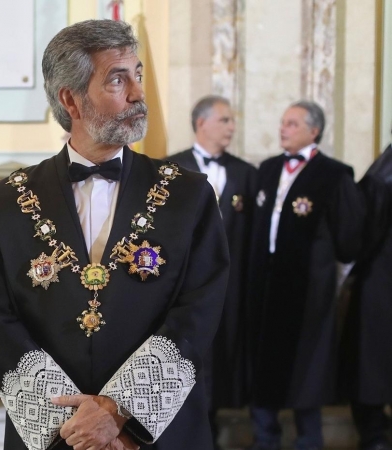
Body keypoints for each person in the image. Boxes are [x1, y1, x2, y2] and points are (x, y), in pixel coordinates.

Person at [0, 19, 229, 450]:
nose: (138, 93)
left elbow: (198, 311)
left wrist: (117, 413)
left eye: (138, 75)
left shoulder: (189, 195)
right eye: (117, 79)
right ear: (71, 99)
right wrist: (74, 425)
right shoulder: (4, 203)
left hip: (156, 433)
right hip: (56, 435)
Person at [247, 101, 364, 450]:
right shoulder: (267, 170)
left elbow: (349, 238)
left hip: (309, 288)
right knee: (262, 358)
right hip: (265, 284)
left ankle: (308, 440)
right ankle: (264, 438)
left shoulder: (334, 175)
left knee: (307, 363)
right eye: (283, 122)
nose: (283, 129)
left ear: (314, 131)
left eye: (293, 124)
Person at [166, 95, 257, 448]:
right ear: (201, 123)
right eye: (225, 120)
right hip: (183, 287)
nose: (232, 127)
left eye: (232, 121)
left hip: (230, 290)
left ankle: (214, 422)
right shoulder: (168, 169)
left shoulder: (245, 174)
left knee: (222, 355)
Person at [339, 125, 392, 450]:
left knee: (373, 359)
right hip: (382, 277)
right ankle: (373, 433)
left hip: (381, 277)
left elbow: (366, 221)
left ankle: (374, 433)